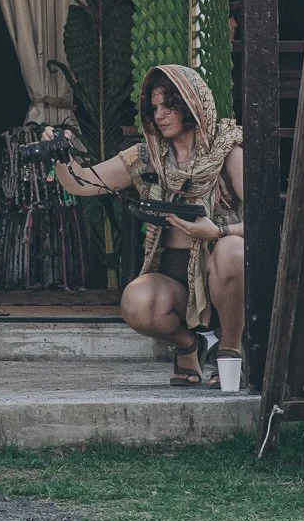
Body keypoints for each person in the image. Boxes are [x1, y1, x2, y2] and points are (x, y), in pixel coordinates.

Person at [50, 64, 245, 387]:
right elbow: (82, 183)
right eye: (154, 108)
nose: (161, 115)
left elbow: (266, 223)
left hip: (224, 276)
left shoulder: (227, 153)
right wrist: (60, 154)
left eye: (169, 106)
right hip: (175, 278)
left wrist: (217, 232)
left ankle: (230, 349)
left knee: (233, 251)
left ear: (192, 106)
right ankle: (189, 345)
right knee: (136, 302)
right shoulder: (148, 156)